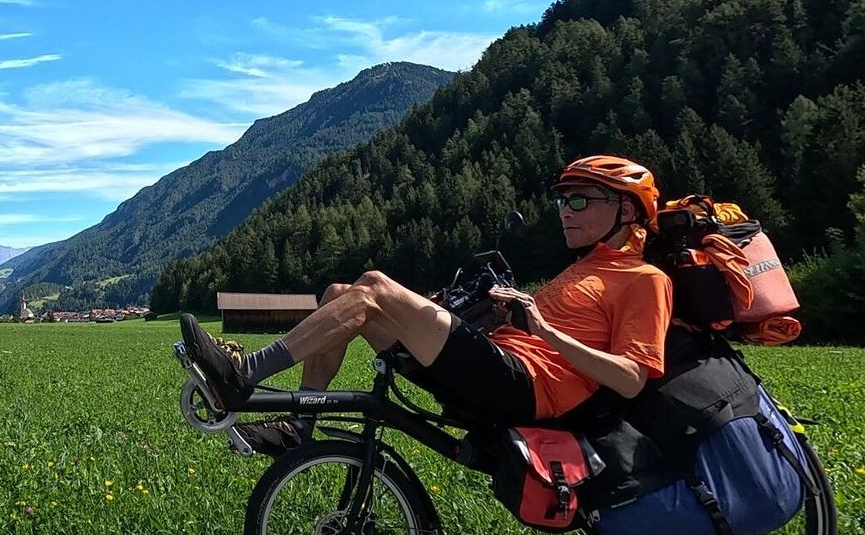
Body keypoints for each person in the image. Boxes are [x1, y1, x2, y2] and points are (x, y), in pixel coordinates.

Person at [181, 155, 672, 456]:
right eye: (562, 202)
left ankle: (243, 373)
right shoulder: (583, 269)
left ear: (627, 210)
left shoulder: (644, 280)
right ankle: (298, 427)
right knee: (340, 295)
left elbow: (631, 378)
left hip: (523, 388)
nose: (565, 211)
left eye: (580, 201)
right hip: (492, 366)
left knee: (374, 286)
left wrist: (542, 329)